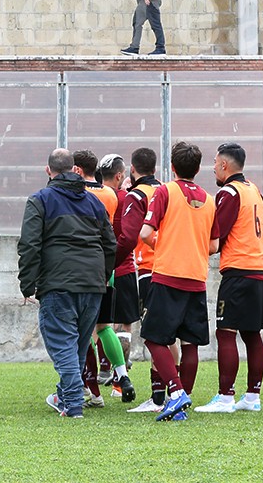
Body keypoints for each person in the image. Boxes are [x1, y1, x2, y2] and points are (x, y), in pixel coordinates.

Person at [18, 147, 115, 419]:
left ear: (48, 170)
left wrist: (27, 284)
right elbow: (110, 244)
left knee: (62, 345)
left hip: (58, 284)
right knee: (77, 347)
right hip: (92, 285)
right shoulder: (95, 203)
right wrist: (102, 276)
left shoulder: (40, 200)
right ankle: (64, 394)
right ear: (75, 170)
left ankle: (72, 404)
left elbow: (29, 245)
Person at [138, 141, 219, 421]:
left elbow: (146, 234)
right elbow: (214, 245)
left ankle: (176, 393)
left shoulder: (165, 191)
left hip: (168, 275)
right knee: (189, 344)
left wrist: (167, 243)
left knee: (153, 338)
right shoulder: (209, 199)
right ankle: (181, 401)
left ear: (171, 167)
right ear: (198, 169)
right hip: (196, 278)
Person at [195, 142, 263, 413]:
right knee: (252, 334)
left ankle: (225, 397)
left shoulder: (229, 192)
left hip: (237, 271)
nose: (213, 167)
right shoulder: (254, 190)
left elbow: (217, 234)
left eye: (215, 163)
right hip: (258, 269)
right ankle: (253, 396)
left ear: (224, 165)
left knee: (225, 332)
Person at [82, 152, 134, 403]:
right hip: (107, 268)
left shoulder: (79, 194)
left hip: (82, 267)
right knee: (104, 327)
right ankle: (121, 376)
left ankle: (90, 388)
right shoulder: (112, 196)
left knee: (82, 330)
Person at [117, 146, 165, 411]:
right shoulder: (166, 190)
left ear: (132, 170)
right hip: (169, 266)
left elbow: (129, 236)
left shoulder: (136, 195)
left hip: (147, 269)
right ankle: (174, 389)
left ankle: (159, 396)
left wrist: (108, 263)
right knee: (170, 336)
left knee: (152, 334)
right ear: (155, 169)